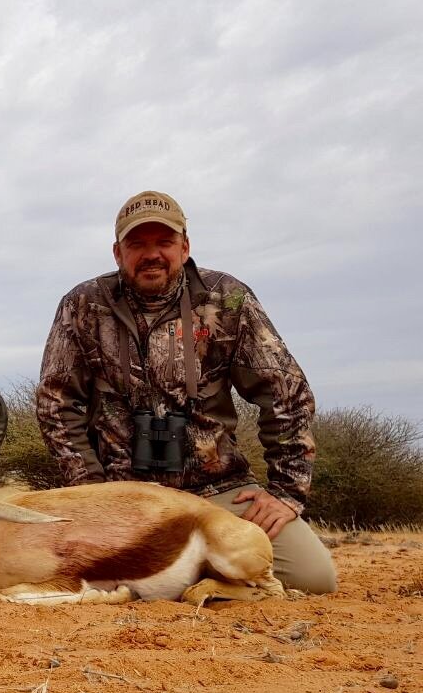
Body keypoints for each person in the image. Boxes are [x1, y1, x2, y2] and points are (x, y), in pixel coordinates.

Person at [36, 190, 336, 593]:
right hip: (121, 497)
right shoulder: (83, 305)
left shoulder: (228, 299)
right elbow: (56, 405)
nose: (152, 254)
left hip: (217, 490)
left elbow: (287, 393)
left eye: (164, 242)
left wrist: (286, 492)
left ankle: (187, 576)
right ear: (117, 252)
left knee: (313, 578)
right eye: (137, 244)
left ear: (185, 246)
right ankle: (185, 578)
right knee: (56, 576)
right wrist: (91, 491)